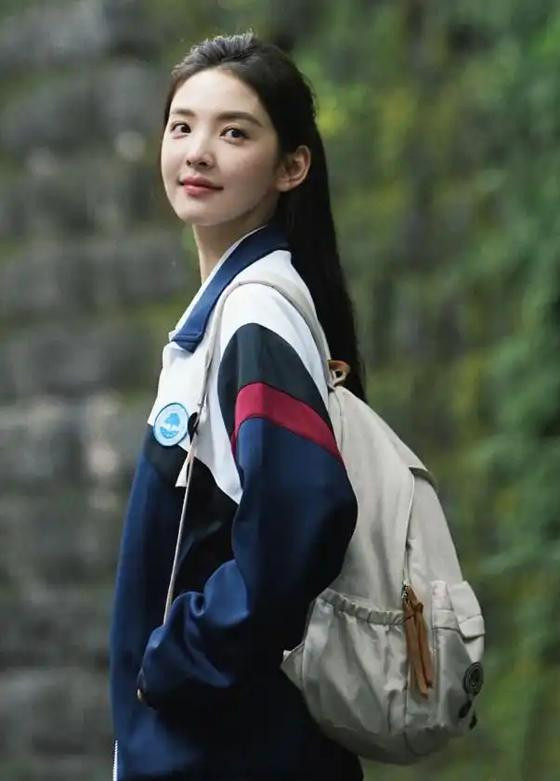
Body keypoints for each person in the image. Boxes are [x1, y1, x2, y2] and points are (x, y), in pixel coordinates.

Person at [108, 31, 367, 780]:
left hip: (231, 749)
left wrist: (180, 657)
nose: (197, 152)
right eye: (181, 126)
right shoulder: (229, 314)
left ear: (292, 167)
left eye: (234, 133)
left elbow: (301, 517)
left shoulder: (256, 314)